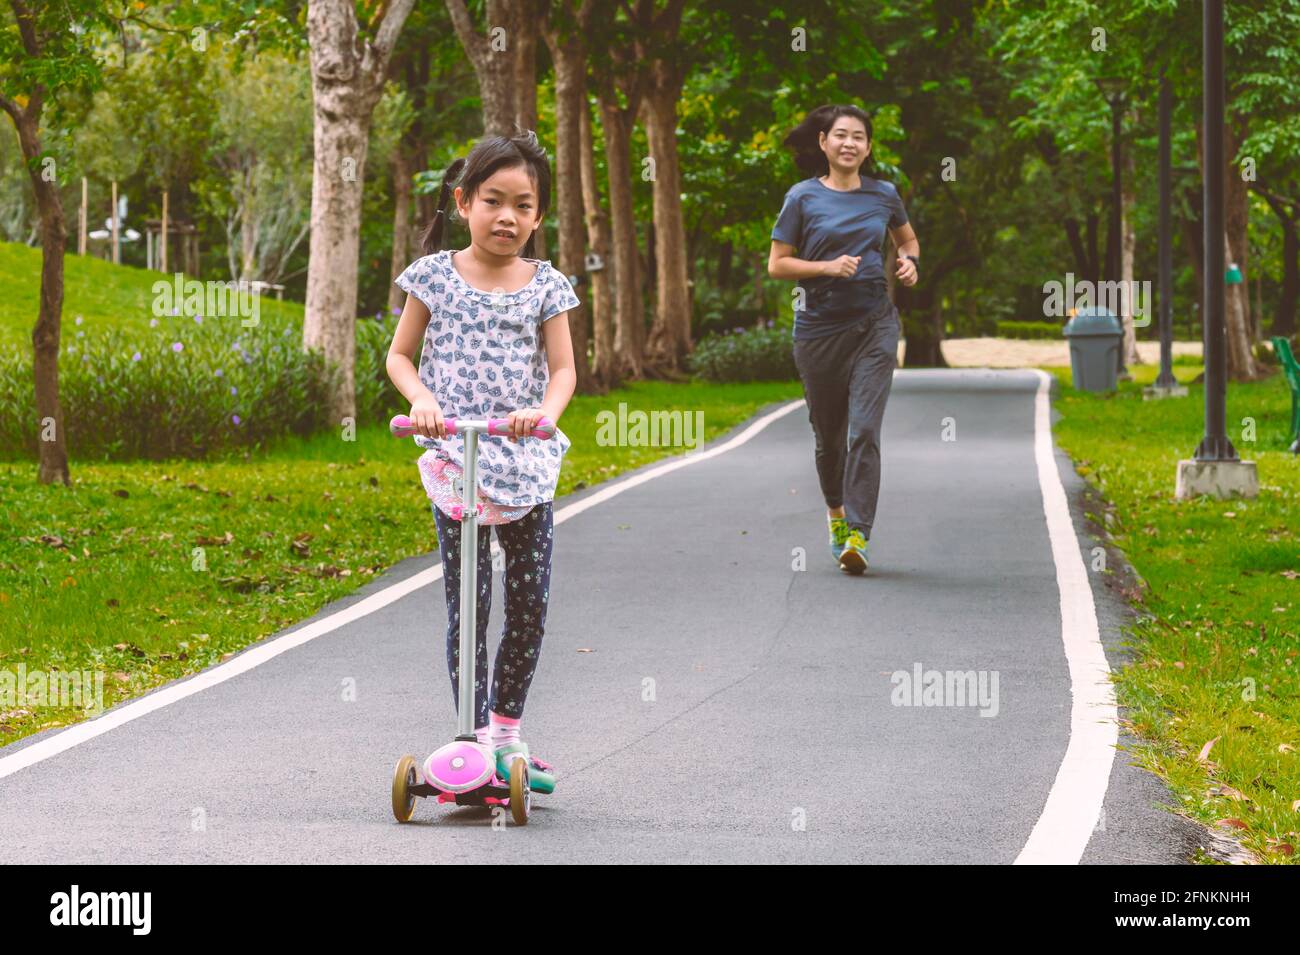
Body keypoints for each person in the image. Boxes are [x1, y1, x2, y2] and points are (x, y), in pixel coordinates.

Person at [385, 129, 579, 793]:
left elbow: (563, 368)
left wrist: (544, 412)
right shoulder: (434, 275)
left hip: (524, 460)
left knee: (528, 605)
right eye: (493, 200)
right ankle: (467, 738)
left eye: (523, 205)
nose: (507, 216)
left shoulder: (546, 285)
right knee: (468, 603)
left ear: (538, 216)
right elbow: (399, 354)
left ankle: (507, 735)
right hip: (455, 455)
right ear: (464, 201)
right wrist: (422, 397)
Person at [768, 104, 920, 575]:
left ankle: (858, 532)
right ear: (824, 143)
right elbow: (777, 264)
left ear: (868, 148)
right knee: (829, 438)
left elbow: (908, 240)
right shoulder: (802, 198)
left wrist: (910, 262)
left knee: (865, 430)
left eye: (859, 136)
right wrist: (827, 268)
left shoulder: (884, 195)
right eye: (840, 135)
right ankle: (836, 513)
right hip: (818, 330)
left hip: (874, 323)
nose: (849, 143)